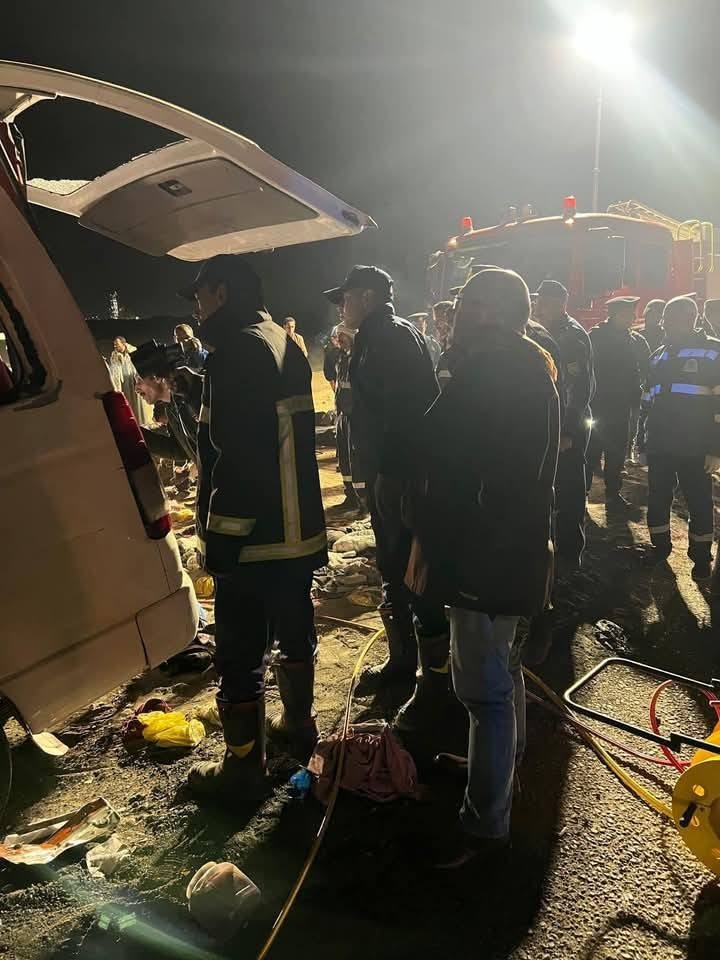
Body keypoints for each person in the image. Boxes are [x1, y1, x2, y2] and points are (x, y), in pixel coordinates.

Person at [405, 268, 559, 865]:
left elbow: (453, 459)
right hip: (507, 552)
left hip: (486, 556)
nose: (455, 315)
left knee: (482, 689)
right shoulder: (518, 363)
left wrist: (435, 536)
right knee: (503, 670)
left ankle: (484, 822)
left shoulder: (495, 369)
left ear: (493, 310)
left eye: (468, 303)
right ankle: (498, 767)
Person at [180, 255, 327, 797]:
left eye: (199, 297)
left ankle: (243, 769)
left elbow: (236, 455)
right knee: (294, 630)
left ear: (221, 292)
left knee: (240, 652)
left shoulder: (236, 351)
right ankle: (298, 723)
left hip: (255, 537)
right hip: (296, 530)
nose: (197, 309)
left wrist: (222, 537)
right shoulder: (283, 341)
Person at [322, 266, 447, 703]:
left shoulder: (390, 337)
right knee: (394, 567)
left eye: (346, 297)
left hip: (399, 475)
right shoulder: (377, 337)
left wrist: (391, 475)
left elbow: (407, 413)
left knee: (411, 568)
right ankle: (403, 663)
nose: (342, 306)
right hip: (388, 472)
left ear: (369, 296)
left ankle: (433, 680)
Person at [637, 295, 720, 581]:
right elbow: (646, 402)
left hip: (696, 447)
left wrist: (715, 449)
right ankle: (660, 548)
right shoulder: (658, 355)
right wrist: (642, 443)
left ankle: (701, 557)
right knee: (658, 498)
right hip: (661, 444)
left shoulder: (712, 352)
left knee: (699, 500)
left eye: (668, 319)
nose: (663, 324)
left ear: (689, 319)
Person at [534, 280, 595, 574]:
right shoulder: (544, 331)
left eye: (544, 303)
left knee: (570, 489)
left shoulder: (571, 337)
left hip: (569, 424)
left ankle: (570, 551)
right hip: (551, 422)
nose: (538, 308)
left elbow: (578, 389)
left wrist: (568, 431)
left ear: (560, 303)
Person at [587, 297, 650, 507]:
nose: (632, 317)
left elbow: (643, 369)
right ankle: (583, 492)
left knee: (616, 452)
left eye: (632, 313)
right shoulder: (595, 337)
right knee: (591, 451)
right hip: (597, 405)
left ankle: (613, 493)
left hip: (621, 407)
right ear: (614, 315)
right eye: (627, 314)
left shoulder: (634, 340)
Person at [334, 323, 364, 512]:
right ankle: (350, 496)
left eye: (342, 336)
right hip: (342, 415)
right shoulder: (342, 358)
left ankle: (363, 501)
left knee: (356, 458)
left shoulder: (359, 359)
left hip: (354, 416)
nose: (339, 340)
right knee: (344, 457)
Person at [109, 336, 153, 426]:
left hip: (135, 380)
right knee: (130, 402)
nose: (115, 346)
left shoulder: (133, 351)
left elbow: (140, 365)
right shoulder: (114, 355)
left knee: (140, 403)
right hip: (125, 382)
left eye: (117, 344)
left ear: (123, 343)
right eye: (114, 345)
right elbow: (114, 370)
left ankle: (144, 422)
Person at [323, 326, 341, 392]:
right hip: (339, 383)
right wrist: (334, 389)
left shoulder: (348, 348)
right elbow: (328, 371)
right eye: (335, 337)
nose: (338, 339)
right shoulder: (329, 352)